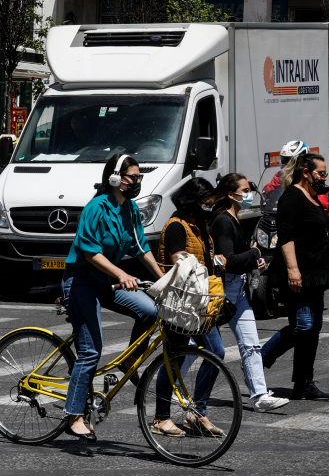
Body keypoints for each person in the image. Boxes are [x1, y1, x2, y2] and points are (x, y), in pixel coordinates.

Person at [60, 154, 164, 442]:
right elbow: (90, 252)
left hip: (104, 281)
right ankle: (74, 416)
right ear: (116, 178)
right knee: (91, 351)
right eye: (133, 176)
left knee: (151, 311)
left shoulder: (128, 208)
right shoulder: (97, 207)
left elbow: (141, 247)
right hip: (80, 281)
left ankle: (128, 361)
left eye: (140, 176)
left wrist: (162, 279)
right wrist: (121, 274)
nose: (138, 181)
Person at [150, 178, 228, 438]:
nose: (209, 207)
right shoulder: (176, 226)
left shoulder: (200, 225)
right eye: (206, 203)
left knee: (215, 353)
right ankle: (161, 418)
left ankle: (197, 413)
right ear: (192, 202)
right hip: (180, 303)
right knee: (174, 358)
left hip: (200, 302)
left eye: (211, 203)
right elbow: (178, 262)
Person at [261, 152, 329, 401]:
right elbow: (286, 236)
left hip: (317, 272)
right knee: (304, 325)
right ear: (305, 173)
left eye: (324, 174)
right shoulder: (292, 197)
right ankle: (258, 360)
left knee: (313, 327)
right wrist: (293, 270)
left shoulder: (314, 196)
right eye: (320, 173)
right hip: (298, 272)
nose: (323, 178)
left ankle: (304, 383)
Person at [210, 173, 289, 413]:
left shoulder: (236, 218)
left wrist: (256, 262)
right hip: (222, 291)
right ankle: (171, 389)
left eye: (249, 189)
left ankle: (260, 396)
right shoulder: (223, 221)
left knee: (251, 345)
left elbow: (241, 257)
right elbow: (230, 262)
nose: (248, 194)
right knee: (200, 347)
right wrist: (254, 255)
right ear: (229, 194)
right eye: (244, 190)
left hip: (239, 291)